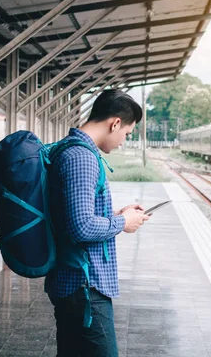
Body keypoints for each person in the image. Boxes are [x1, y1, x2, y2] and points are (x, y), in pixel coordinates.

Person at [46, 90, 150, 356]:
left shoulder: (72, 150)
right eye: (126, 133)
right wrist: (122, 223)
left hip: (75, 281)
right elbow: (81, 226)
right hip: (84, 285)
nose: (124, 141)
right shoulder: (81, 158)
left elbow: (73, 213)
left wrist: (118, 213)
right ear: (115, 123)